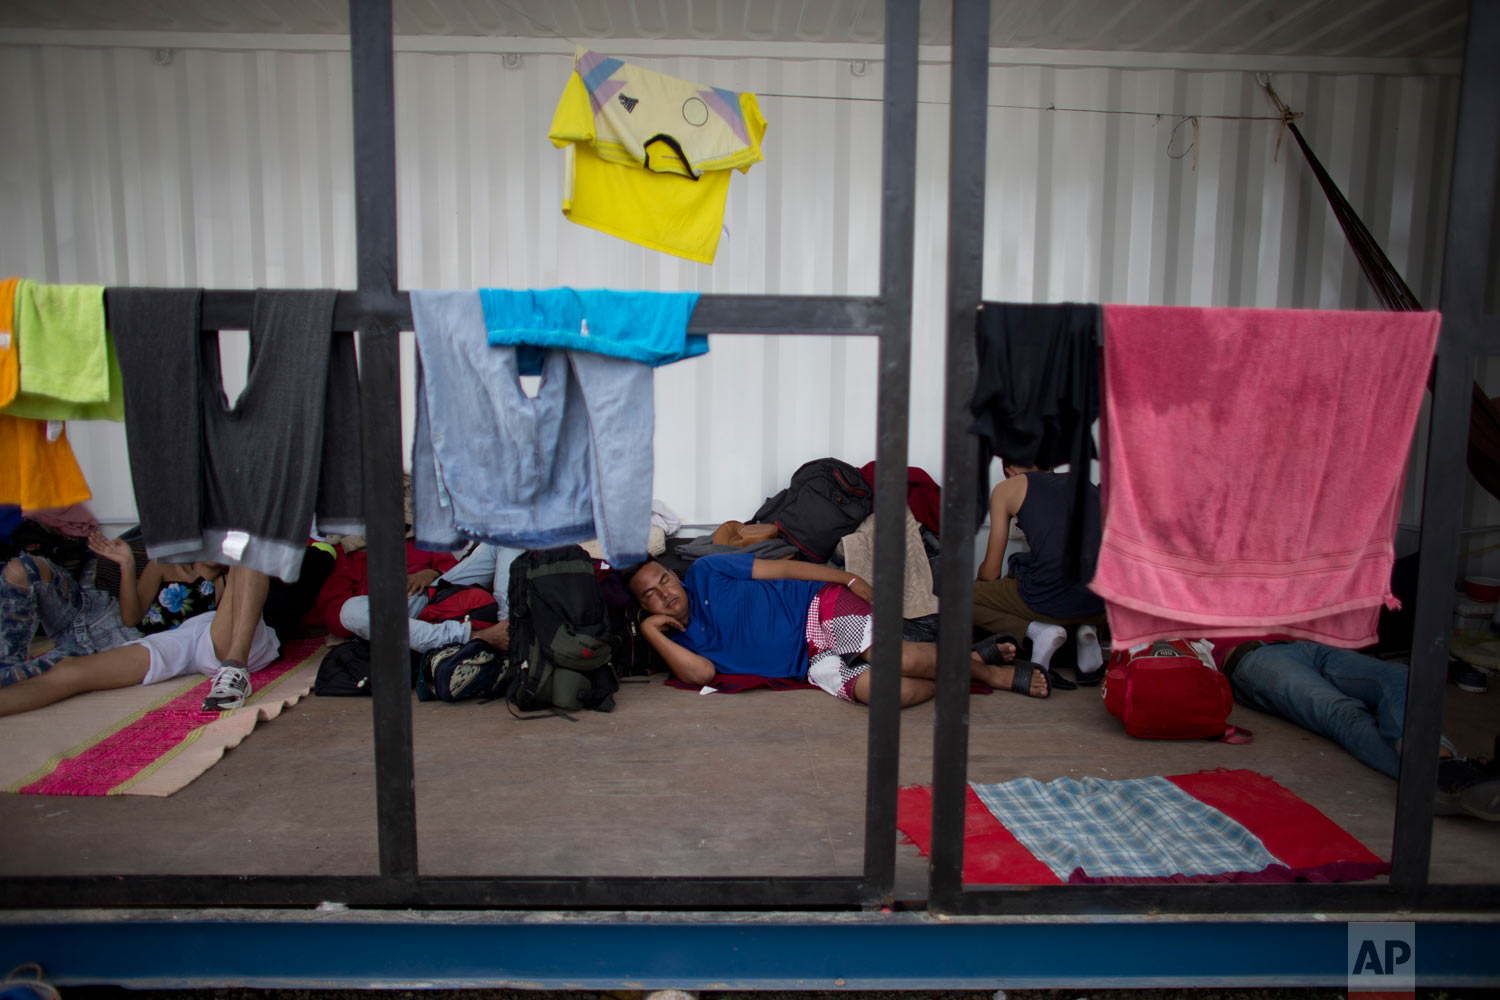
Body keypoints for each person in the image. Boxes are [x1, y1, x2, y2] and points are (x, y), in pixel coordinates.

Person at [626, 551, 1048, 706]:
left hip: (817, 607)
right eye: (649, 596)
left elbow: (787, 566)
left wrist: (843, 579)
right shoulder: (679, 642)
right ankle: (970, 660)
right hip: (812, 662)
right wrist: (650, 632)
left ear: (674, 575)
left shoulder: (708, 571)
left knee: (890, 655)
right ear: (645, 608)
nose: (663, 594)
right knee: (889, 693)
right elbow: (701, 676)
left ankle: (991, 673)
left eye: (663, 579)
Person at [1217, 637, 1500, 821]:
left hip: (1315, 644)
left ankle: (1442, 771)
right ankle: (1446, 772)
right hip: (1251, 657)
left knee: (1402, 677)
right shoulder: (1192, 579)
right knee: (1343, 712)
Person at [0, 532, 278, 716]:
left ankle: (234, 669)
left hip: (213, 637)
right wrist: (127, 566)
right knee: (70, 671)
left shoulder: (233, 579)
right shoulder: (165, 565)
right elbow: (131, 617)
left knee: (249, 546)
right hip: (174, 638)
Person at [974, 463, 1108, 681]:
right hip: (1101, 605)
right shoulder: (1084, 482)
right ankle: (1087, 632)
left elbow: (991, 573)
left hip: (1049, 597)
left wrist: (980, 584)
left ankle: (1038, 631)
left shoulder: (1007, 488)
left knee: (960, 598)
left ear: (1009, 469)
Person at [335, 541, 518, 653]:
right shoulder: (347, 552)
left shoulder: (416, 537)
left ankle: (509, 628)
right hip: (397, 613)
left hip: (435, 593)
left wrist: (432, 572)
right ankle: (473, 636)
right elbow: (335, 619)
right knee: (349, 611)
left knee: (507, 538)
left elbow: (450, 566)